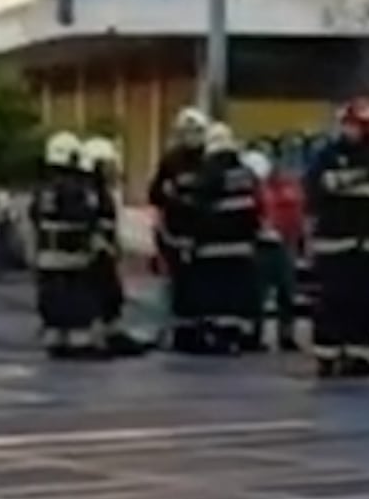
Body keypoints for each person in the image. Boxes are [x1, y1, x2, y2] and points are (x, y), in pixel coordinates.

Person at [305, 96, 369, 380]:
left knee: (365, 301)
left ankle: (358, 356)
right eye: (348, 125)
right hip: (334, 240)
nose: (351, 130)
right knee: (332, 300)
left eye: (356, 125)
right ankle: (327, 356)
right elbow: (316, 187)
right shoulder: (328, 155)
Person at [185, 122, 263, 354]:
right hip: (242, 246)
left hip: (213, 246)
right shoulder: (246, 173)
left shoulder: (208, 171)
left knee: (215, 295)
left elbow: (197, 208)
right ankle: (236, 336)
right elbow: (256, 206)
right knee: (236, 293)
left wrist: (192, 239)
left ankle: (217, 338)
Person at [29, 131, 103, 359]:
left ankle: (55, 337)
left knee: (52, 301)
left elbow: (34, 217)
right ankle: (77, 342)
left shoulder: (43, 188)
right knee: (77, 304)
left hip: (47, 257)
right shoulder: (78, 188)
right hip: (74, 258)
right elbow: (89, 216)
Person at [79, 136, 149, 357]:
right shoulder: (89, 192)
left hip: (106, 251)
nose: (114, 171)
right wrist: (101, 246)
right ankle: (99, 334)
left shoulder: (103, 192)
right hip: (94, 255)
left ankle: (113, 332)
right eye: (108, 165)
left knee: (111, 293)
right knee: (98, 293)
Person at [148, 108, 210, 353]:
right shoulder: (171, 161)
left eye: (195, 132)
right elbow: (154, 193)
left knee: (202, 285)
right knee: (177, 285)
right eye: (186, 132)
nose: (191, 137)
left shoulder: (209, 161)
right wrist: (172, 199)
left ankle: (200, 331)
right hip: (174, 234)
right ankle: (179, 333)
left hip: (204, 235)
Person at [243, 147, 301, 353]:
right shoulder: (252, 188)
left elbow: (296, 212)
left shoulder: (285, 186)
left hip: (282, 243)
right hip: (260, 243)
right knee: (257, 293)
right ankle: (254, 334)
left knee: (287, 291)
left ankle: (286, 335)